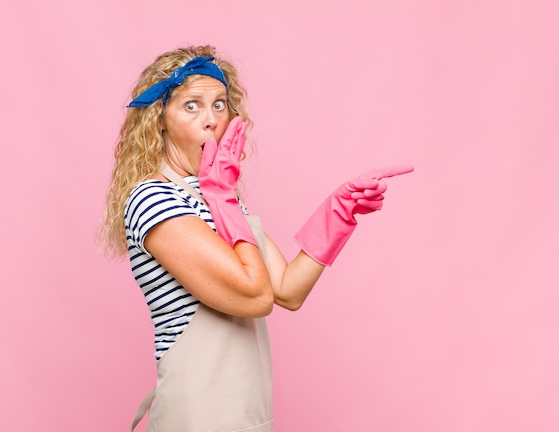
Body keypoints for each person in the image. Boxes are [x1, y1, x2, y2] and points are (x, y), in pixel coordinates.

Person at [100, 45, 413, 432]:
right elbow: (257, 295)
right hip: (197, 419)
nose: (211, 120)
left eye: (219, 104)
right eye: (191, 106)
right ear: (160, 120)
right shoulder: (155, 198)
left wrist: (337, 213)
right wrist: (223, 198)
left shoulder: (217, 195)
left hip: (247, 417)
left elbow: (286, 290)